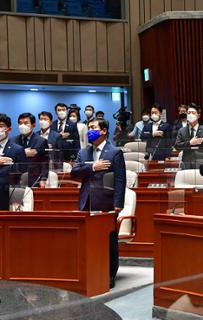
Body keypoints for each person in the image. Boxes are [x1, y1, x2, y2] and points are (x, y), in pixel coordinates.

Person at [71, 118, 126, 289]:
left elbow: (120, 179)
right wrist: (93, 167)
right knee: (88, 240)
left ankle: (110, 274)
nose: (90, 131)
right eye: (88, 128)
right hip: (86, 201)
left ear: (103, 131)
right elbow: (74, 173)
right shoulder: (83, 152)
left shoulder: (114, 152)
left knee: (108, 241)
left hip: (106, 202)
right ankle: (90, 270)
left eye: (93, 128)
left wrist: (118, 203)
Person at [12, 113, 49, 188]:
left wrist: (43, 178)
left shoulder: (41, 141)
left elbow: (45, 162)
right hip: (16, 179)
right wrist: (23, 153)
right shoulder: (13, 141)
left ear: (33, 125)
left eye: (26, 123)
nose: (22, 126)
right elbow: (10, 158)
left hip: (34, 178)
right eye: (20, 123)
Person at [174, 104, 203, 169]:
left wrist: (201, 157)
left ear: (198, 115)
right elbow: (177, 146)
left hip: (201, 163)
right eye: (189, 113)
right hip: (186, 164)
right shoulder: (182, 130)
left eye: (193, 113)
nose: (190, 115)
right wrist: (190, 143)